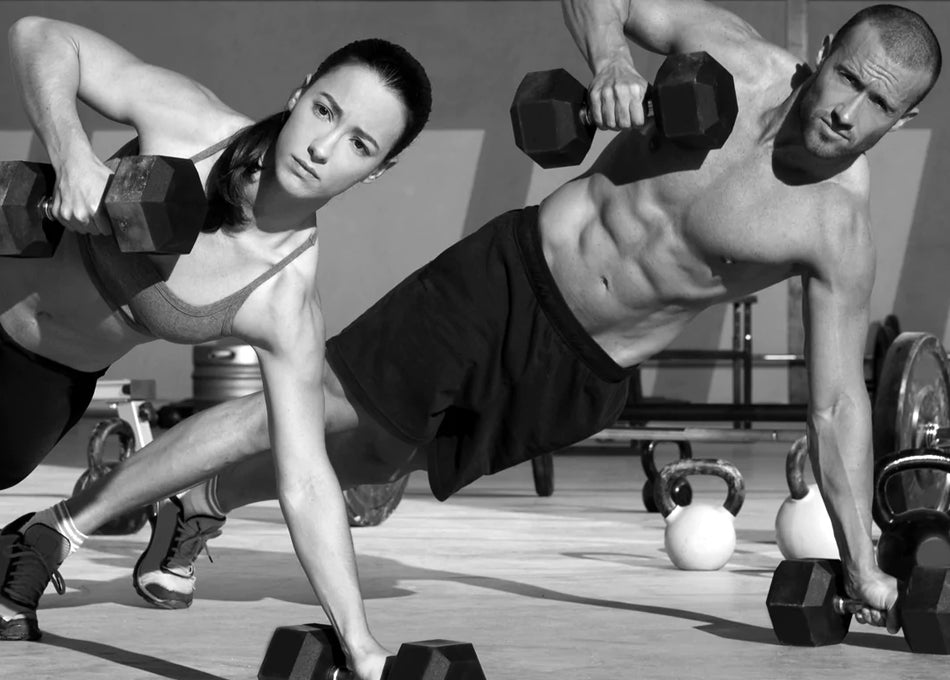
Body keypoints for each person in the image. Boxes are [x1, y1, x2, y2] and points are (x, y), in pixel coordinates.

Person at [3, 0, 942, 665]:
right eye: (849, 81)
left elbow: (833, 401)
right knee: (310, 406)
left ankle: (197, 504)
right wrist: (612, 55)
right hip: (509, 277)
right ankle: (60, 529)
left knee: (371, 461)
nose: (847, 116)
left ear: (908, 117)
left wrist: (861, 560)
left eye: (881, 107)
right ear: (820, 54)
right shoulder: (734, 58)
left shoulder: (837, 233)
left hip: (586, 369)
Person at [0, 15, 431, 680]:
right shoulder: (191, 125)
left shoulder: (284, 298)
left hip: (40, 386)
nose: (322, 146)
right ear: (301, 92)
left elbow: (308, 479)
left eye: (359, 143)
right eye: (325, 110)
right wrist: (71, 154)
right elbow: (38, 34)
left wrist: (361, 641)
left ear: (378, 169)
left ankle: (21, 550)